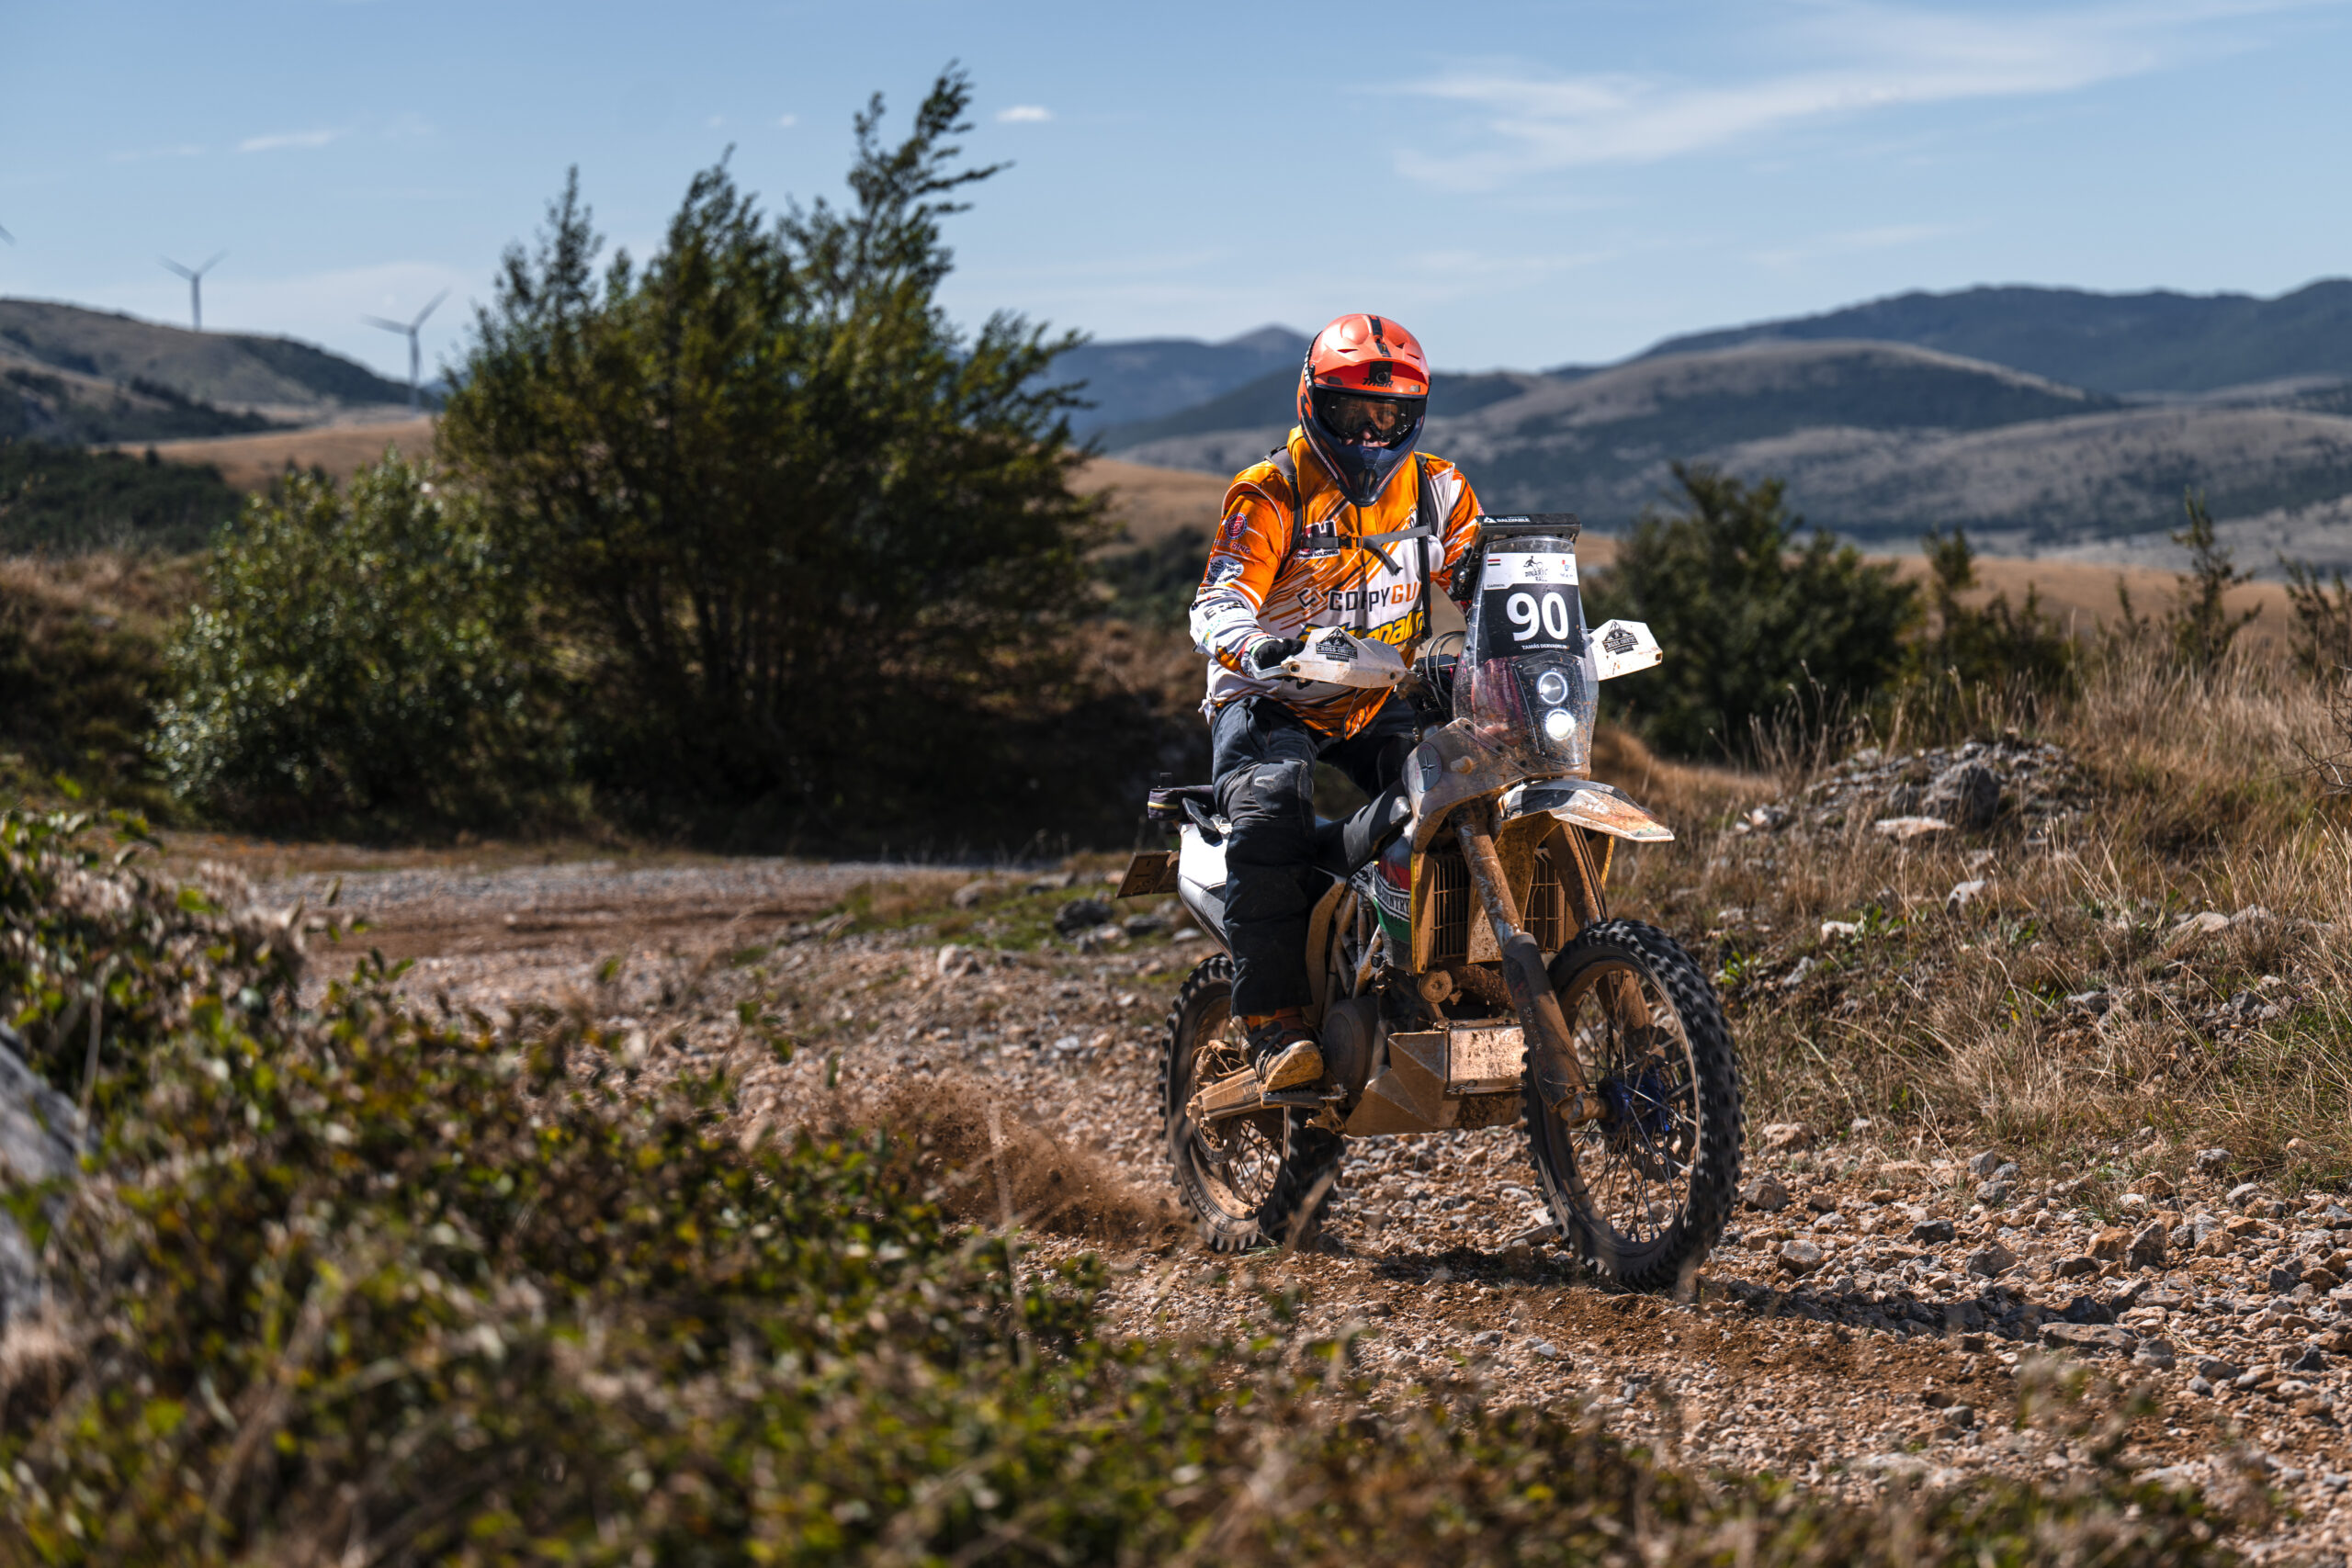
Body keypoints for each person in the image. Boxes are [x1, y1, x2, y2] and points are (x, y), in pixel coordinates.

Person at [1188, 313, 1484, 1090]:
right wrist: (1255, 646)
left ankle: (1433, 962)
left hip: (1378, 692)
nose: (1370, 432)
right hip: (1272, 694)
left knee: (1465, 783)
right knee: (1271, 805)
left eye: (1388, 414)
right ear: (1312, 401)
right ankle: (1273, 1022)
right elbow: (1218, 600)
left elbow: (1487, 584)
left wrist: (1527, 632)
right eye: (1352, 411)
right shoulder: (1272, 491)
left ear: (1414, 415)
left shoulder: (1437, 490)